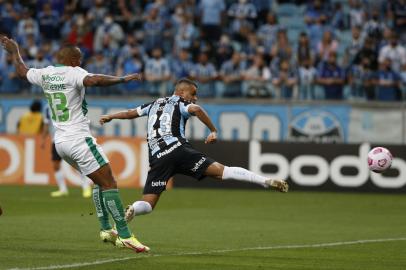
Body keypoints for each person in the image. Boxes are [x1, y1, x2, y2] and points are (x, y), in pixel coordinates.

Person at [0, 35, 149, 253]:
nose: (81, 63)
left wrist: (15, 51)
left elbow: (22, 72)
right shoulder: (74, 73)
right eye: (78, 58)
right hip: (79, 139)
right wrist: (123, 79)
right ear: (70, 60)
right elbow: (95, 80)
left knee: (100, 183)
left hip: (61, 142)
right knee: (110, 183)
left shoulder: (46, 73)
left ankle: (107, 230)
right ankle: (126, 235)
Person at [99, 78, 288, 231]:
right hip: (178, 150)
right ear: (181, 92)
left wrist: (111, 116)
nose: (195, 98)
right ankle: (265, 181)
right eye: (193, 94)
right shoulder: (181, 102)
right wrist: (213, 130)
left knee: (147, 204)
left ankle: (132, 209)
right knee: (223, 171)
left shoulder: (154, 103)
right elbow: (196, 109)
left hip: (158, 158)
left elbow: (131, 112)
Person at [42, 105, 93, 198]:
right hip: (56, 140)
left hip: (70, 138)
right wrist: (43, 139)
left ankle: (86, 186)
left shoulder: (67, 102)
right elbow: (46, 123)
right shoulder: (47, 107)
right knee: (56, 165)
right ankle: (63, 189)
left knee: (76, 163)